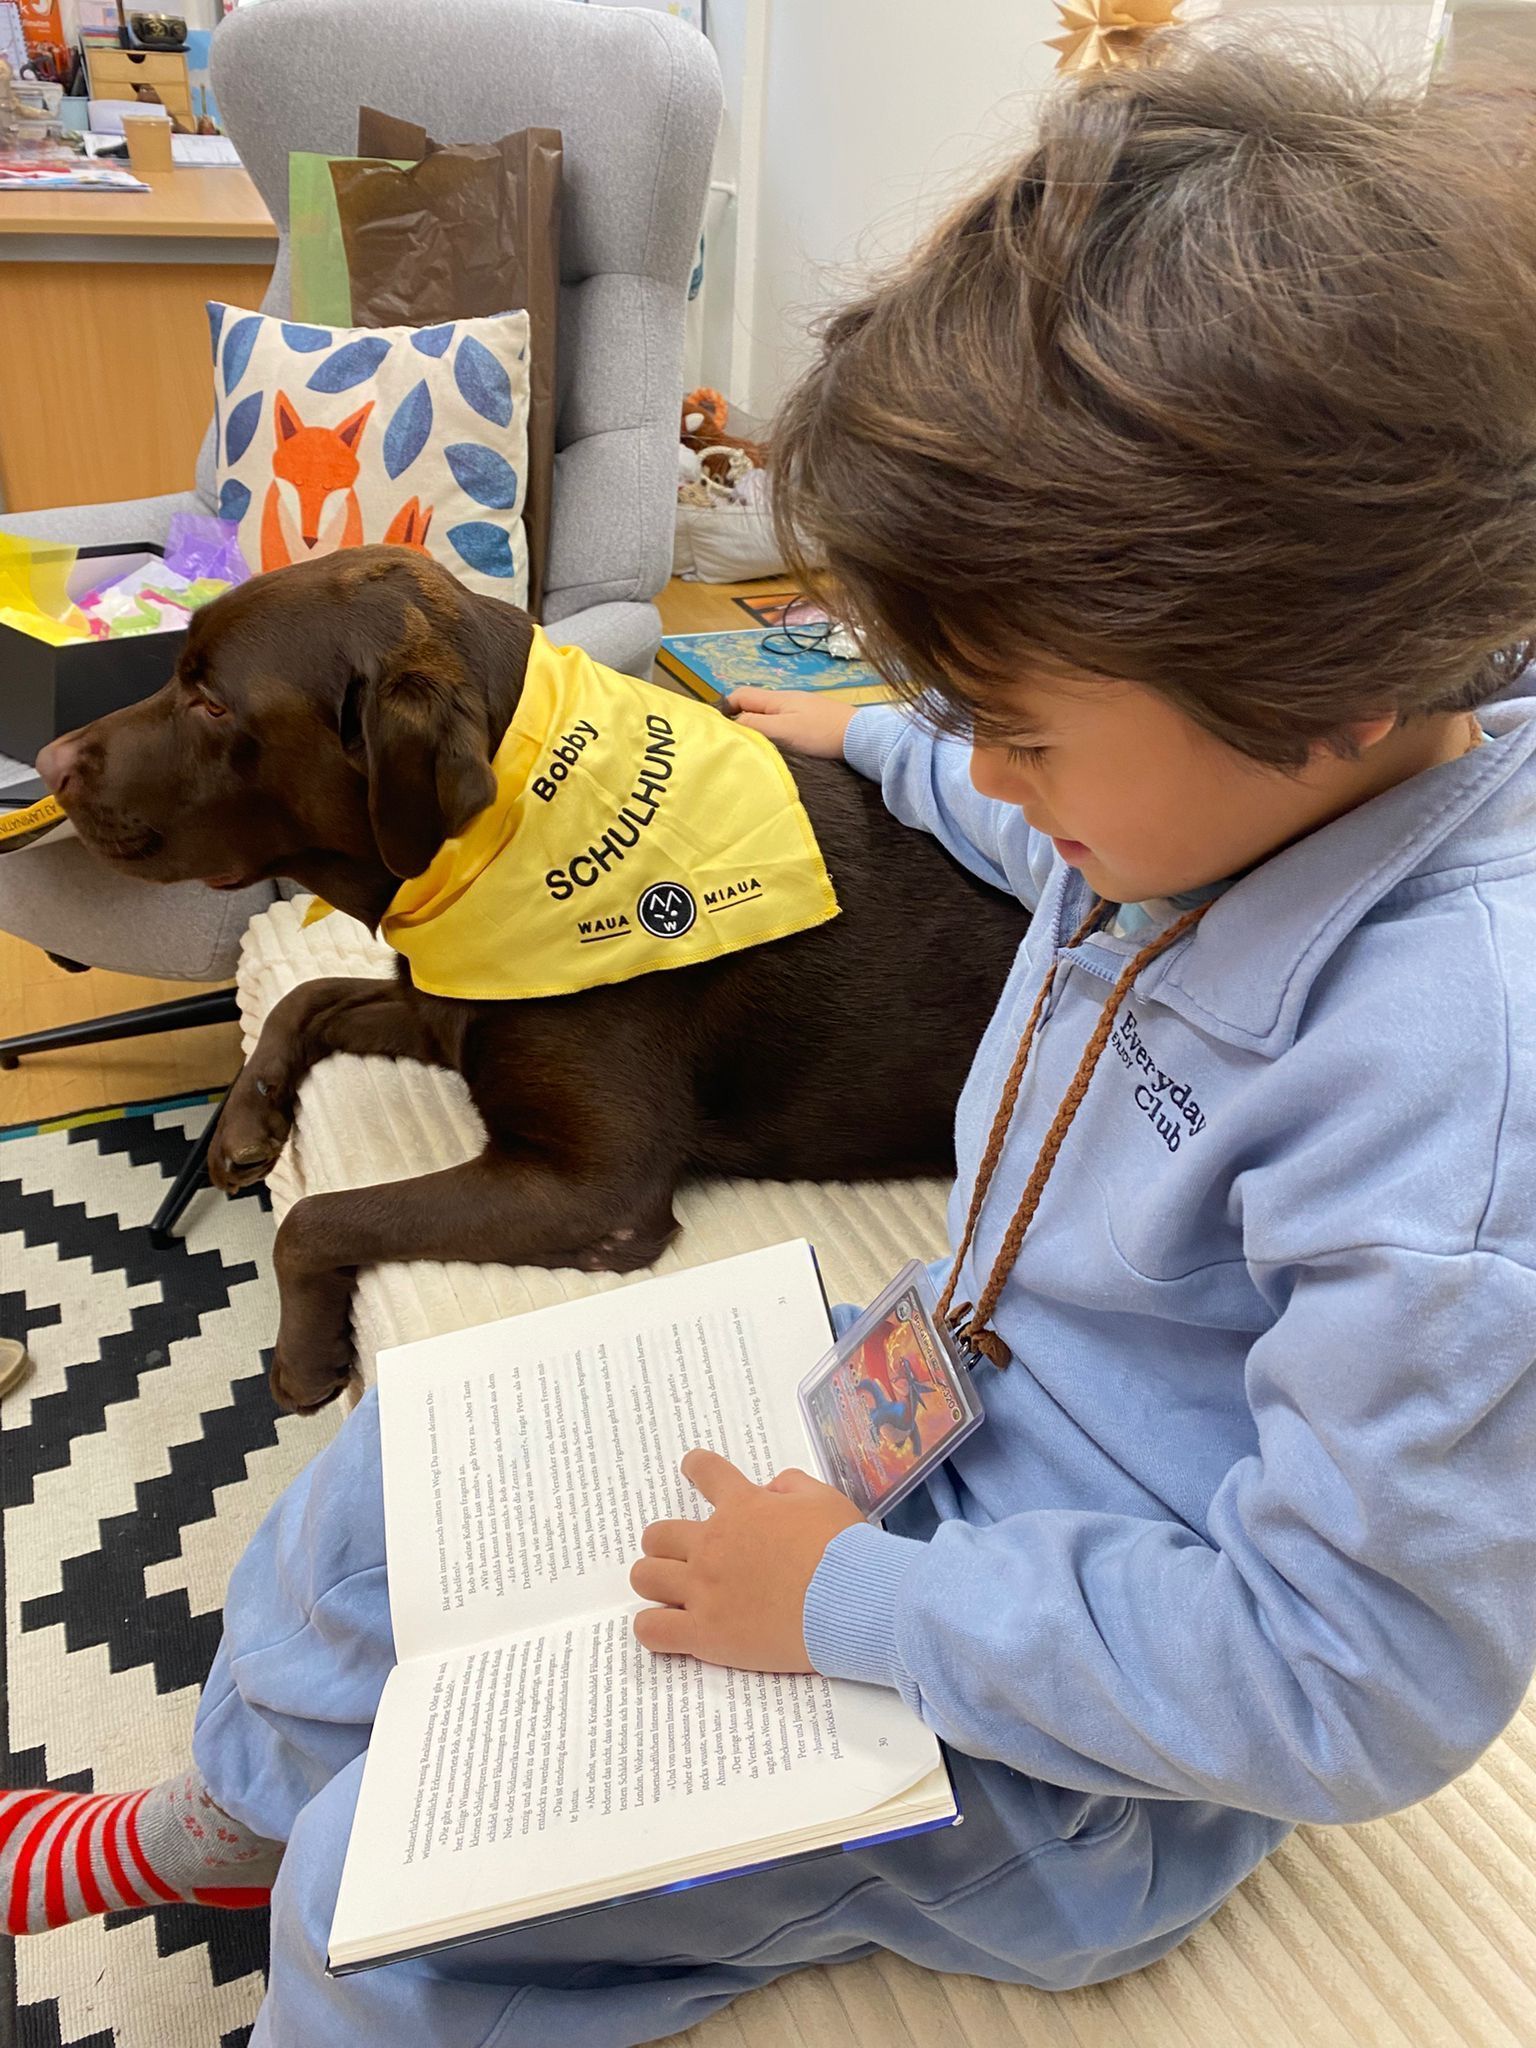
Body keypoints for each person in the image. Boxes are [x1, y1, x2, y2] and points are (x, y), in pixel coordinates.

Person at [7, 38, 1536, 2046]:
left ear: (1315, 681)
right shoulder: (1225, 785)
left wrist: (844, 1604)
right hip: (924, 1424)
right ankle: (231, 1813)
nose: (998, 777)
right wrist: (872, 732)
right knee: (405, 1469)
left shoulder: (1449, 1098)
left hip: (1082, 1764)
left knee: (396, 1905)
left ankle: (323, 1860)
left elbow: (1351, 1676)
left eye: (1027, 725)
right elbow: (1025, 829)